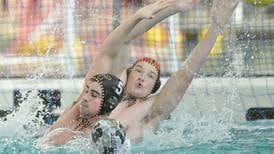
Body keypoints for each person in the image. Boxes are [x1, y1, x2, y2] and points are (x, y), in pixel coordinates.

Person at [81, 0, 239, 142]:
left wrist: (216, 26)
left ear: (153, 87)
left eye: (150, 76)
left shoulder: (151, 113)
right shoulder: (99, 93)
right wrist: (171, 7)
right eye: (138, 71)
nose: (142, 77)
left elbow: (187, 74)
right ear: (127, 76)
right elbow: (120, 42)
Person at [37, 73, 124, 146]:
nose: (85, 98)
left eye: (94, 95)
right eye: (86, 91)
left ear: (107, 104)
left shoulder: (103, 138)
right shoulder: (74, 113)